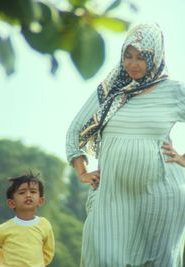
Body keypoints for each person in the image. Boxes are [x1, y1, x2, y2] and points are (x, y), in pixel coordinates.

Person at [66, 22, 185, 267]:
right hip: (111, 195)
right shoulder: (110, 91)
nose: (133, 63)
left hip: (161, 196)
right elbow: (75, 131)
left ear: (156, 57)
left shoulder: (173, 91)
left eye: (142, 57)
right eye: (128, 56)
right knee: (103, 257)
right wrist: (82, 171)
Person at [0, 171, 55, 267]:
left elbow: (48, 251)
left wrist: (38, 263)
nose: (28, 195)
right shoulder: (3, 229)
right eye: (22, 192)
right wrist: (1, 261)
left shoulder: (44, 225)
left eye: (33, 192)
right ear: (12, 203)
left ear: (40, 200)